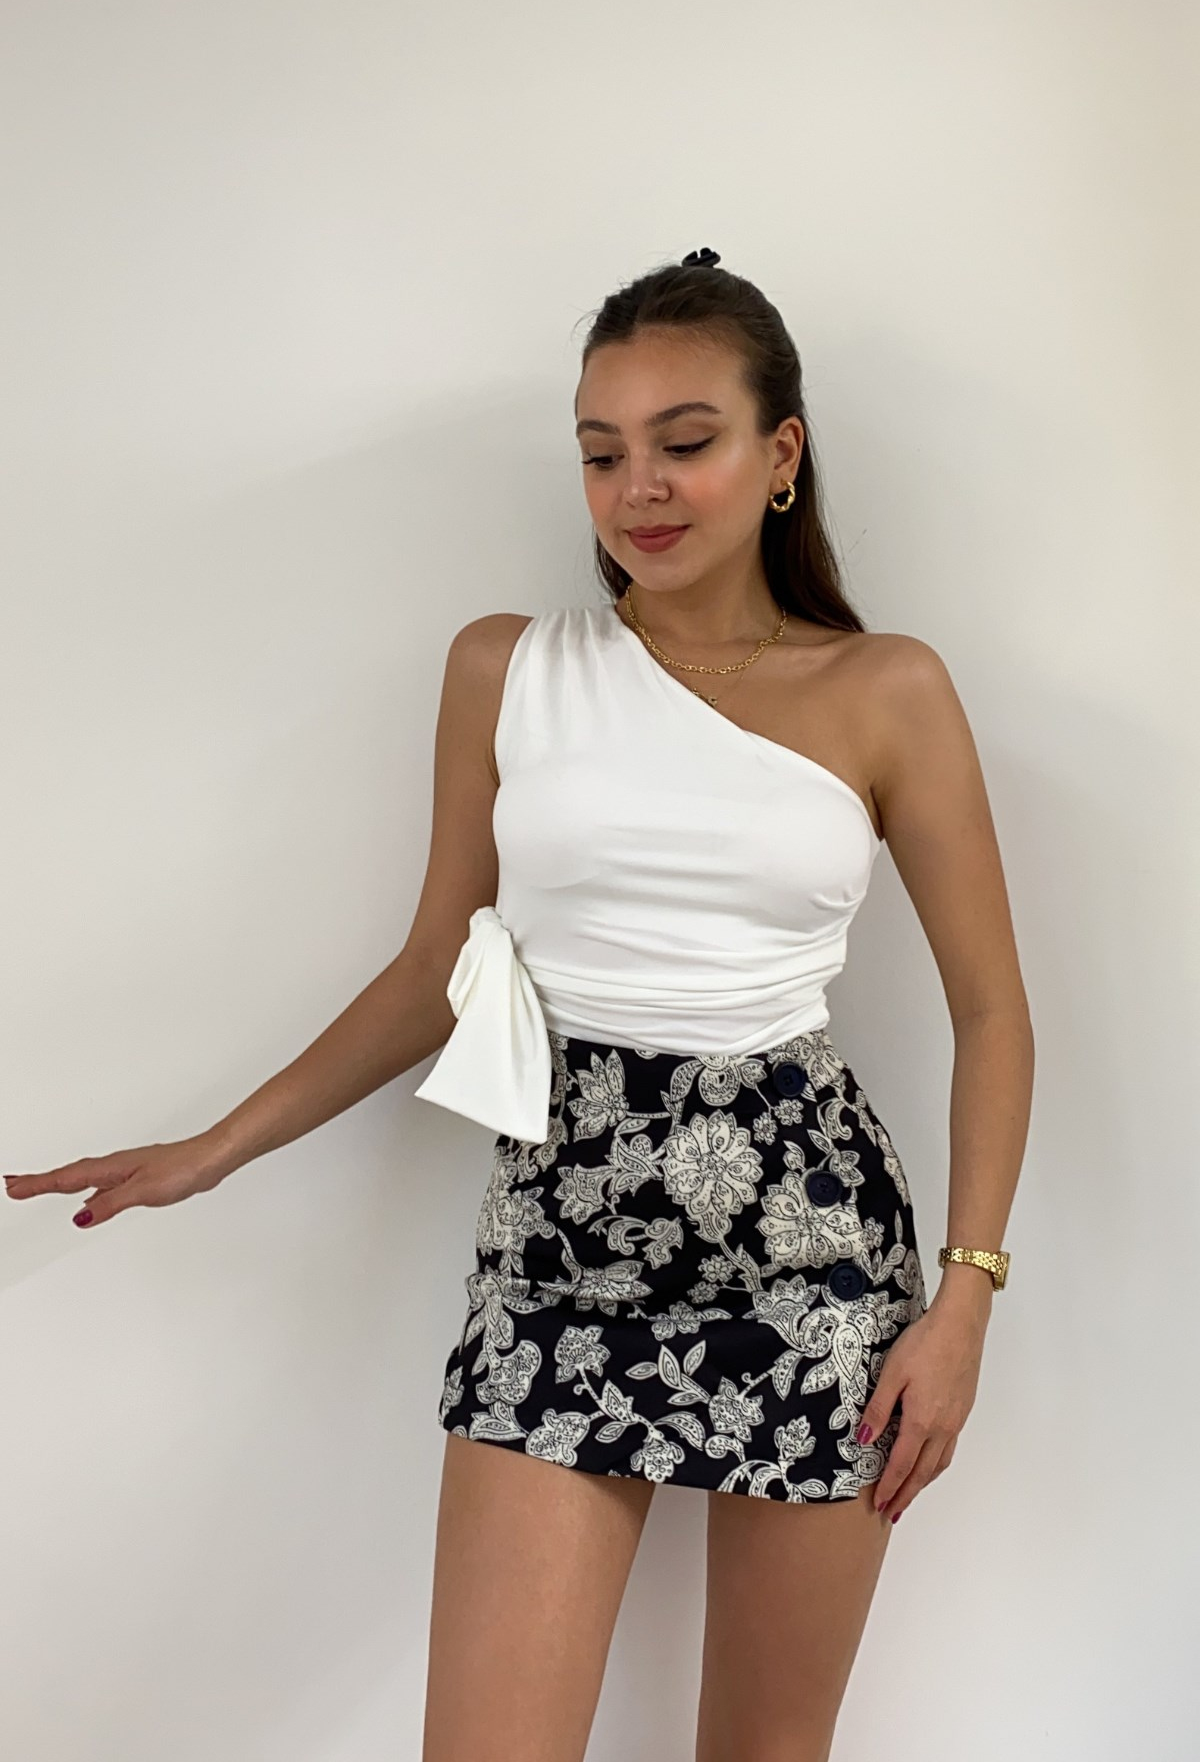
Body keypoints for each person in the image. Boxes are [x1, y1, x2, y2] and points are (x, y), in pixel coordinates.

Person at [5, 247, 1034, 1762]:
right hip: (563, 1239)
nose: (639, 488)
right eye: (602, 453)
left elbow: (994, 1011)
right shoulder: (509, 669)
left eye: (685, 441)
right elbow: (440, 966)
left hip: (814, 1249)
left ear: (781, 455)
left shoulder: (891, 688)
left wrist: (965, 1301)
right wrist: (213, 1150)